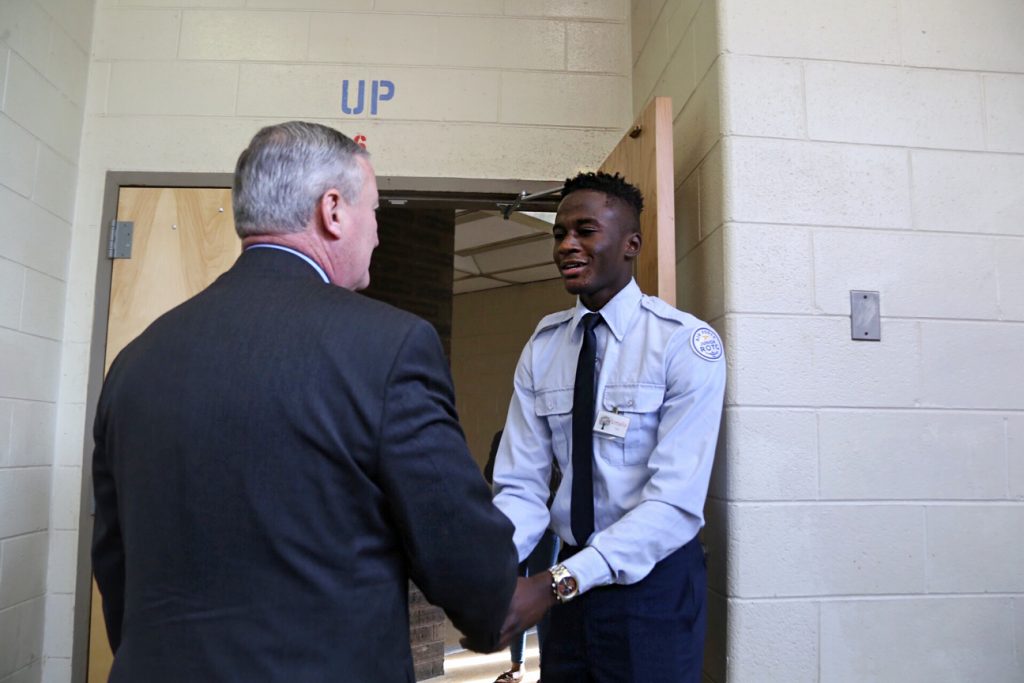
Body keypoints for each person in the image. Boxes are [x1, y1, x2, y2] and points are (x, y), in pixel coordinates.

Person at [91, 121, 519, 682]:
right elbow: (472, 570)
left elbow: (115, 562)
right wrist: (501, 607)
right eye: (375, 213)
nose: (378, 235)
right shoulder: (390, 347)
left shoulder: (135, 360)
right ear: (333, 210)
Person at [491, 171, 727, 682]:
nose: (566, 245)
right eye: (559, 233)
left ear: (630, 244)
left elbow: (674, 504)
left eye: (585, 230)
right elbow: (522, 485)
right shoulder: (545, 345)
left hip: (653, 587)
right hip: (569, 583)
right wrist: (489, 571)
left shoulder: (682, 345)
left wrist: (553, 584)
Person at [483, 430, 560, 683]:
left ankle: (547, 668)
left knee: (543, 597)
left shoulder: (556, 437)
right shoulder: (502, 436)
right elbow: (490, 474)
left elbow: (563, 482)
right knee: (514, 595)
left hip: (546, 529)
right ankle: (517, 666)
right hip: (511, 526)